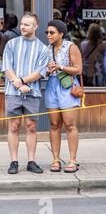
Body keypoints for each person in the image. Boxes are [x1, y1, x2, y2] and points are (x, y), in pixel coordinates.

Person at [1, 13, 49, 174]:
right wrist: (17, 82)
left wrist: (21, 81)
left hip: (32, 93)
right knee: (13, 126)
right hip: (13, 92)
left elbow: (40, 72)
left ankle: (31, 161)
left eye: (27, 24)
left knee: (31, 127)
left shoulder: (42, 48)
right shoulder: (11, 44)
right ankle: (14, 161)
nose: (22, 27)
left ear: (35, 27)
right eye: (22, 24)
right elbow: (6, 66)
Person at [45, 20, 83, 173]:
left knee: (70, 125)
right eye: (47, 32)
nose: (48, 35)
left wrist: (60, 67)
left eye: (51, 32)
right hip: (52, 86)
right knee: (54, 124)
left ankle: (72, 160)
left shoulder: (71, 47)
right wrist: (47, 70)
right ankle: (55, 159)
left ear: (61, 33)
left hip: (67, 86)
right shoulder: (47, 49)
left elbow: (78, 69)